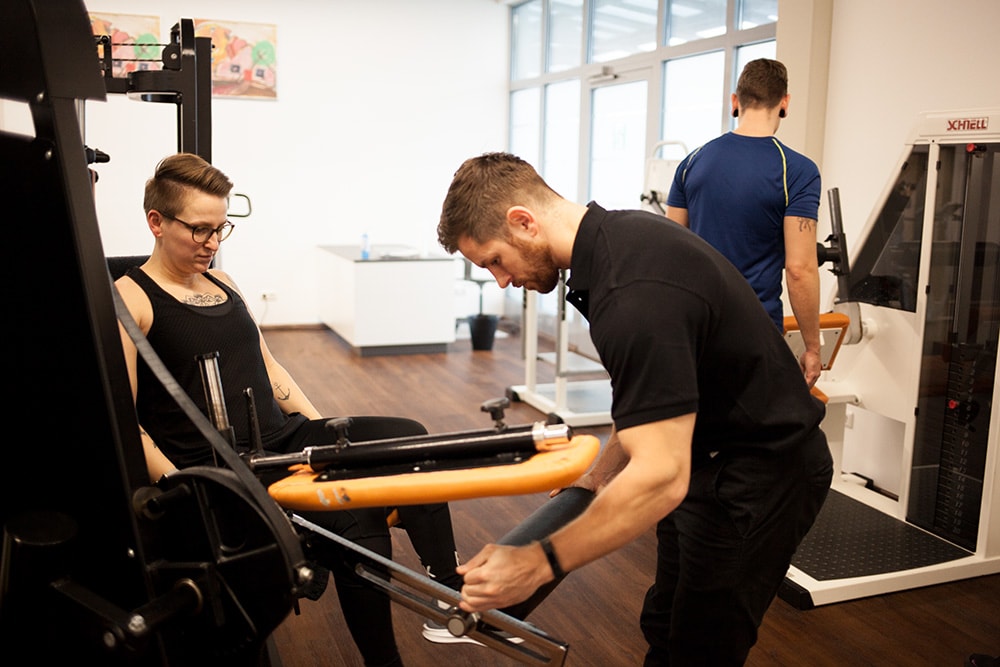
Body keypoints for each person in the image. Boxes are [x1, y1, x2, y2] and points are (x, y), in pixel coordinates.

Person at [437, 152, 833, 666]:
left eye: (493, 260)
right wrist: (600, 475)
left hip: (762, 475)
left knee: (701, 648)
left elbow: (661, 477)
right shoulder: (616, 244)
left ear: (523, 222)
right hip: (704, 455)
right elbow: (652, 396)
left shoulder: (632, 293)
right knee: (665, 623)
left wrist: (539, 562)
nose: (501, 281)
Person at [115, 152, 463, 667]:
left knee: (406, 436)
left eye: (221, 229)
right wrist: (185, 487)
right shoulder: (131, 300)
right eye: (200, 230)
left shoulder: (223, 283)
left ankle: (447, 591)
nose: (212, 243)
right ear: (156, 222)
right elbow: (128, 419)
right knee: (358, 519)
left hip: (283, 439)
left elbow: (271, 368)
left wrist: (329, 440)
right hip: (223, 466)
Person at [666, 58, 823, 388]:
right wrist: (811, 346)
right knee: (752, 437)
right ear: (785, 103)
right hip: (755, 332)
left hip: (693, 329)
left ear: (735, 101)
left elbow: (671, 252)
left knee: (695, 435)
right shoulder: (797, 171)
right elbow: (800, 268)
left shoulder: (691, 162)